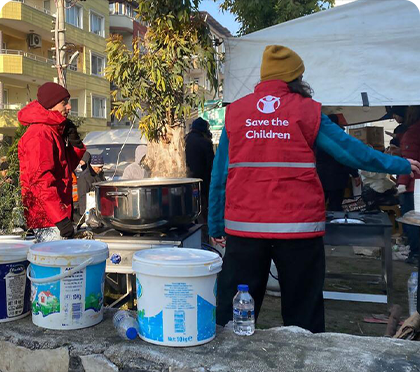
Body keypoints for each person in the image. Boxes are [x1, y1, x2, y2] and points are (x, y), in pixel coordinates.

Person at [208, 45, 420, 333]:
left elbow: (220, 174)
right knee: (303, 316)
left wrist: (215, 222)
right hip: (297, 231)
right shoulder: (307, 111)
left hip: (245, 230)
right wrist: (398, 164)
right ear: (296, 78)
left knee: (233, 318)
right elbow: (350, 151)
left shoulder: (236, 112)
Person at [18, 82, 85, 242]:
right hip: (48, 221)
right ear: (50, 105)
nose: (69, 107)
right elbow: (40, 182)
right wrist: (60, 219)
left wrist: (76, 144)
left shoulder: (51, 130)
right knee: (56, 265)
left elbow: (65, 169)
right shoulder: (40, 135)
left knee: (61, 264)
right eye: (64, 103)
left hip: (55, 216)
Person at [316, 114, 360, 211]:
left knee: (318, 205)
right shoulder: (340, 137)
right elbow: (347, 158)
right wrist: (355, 174)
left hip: (321, 176)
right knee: (335, 206)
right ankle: (335, 224)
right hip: (338, 177)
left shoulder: (318, 137)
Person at [397, 106, 420, 264]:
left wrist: (402, 184)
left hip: (415, 185)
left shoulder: (413, 132)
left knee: (413, 221)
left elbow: (408, 162)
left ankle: (416, 253)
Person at [185, 117, 215, 222]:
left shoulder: (185, 140)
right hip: (202, 183)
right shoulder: (205, 143)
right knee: (202, 210)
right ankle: (204, 233)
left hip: (186, 182)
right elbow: (211, 165)